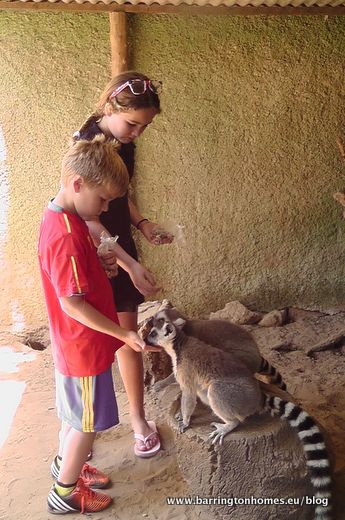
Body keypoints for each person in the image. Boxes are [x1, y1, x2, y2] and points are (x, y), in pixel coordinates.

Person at [38, 136, 161, 514]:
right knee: (86, 425)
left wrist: (104, 263)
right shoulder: (66, 236)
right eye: (103, 200)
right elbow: (72, 303)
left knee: (75, 416)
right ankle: (65, 492)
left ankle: (67, 465)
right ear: (77, 184)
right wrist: (123, 333)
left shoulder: (63, 216)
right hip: (83, 347)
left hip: (73, 345)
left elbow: (81, 272)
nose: (106, 208)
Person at [73, 71, 173, 458]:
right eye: (133, 123)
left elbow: (120, 195)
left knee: (127, 336)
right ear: (111, 106)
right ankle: (82, 430)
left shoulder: (122, 141)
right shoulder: (86, 147)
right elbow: (90, 218)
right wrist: (129, 264)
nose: (137, 133)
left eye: (144, 126)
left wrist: (143, 225)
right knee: (103, 338)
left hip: (120, 244)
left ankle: (137, 420)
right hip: (96, 250)